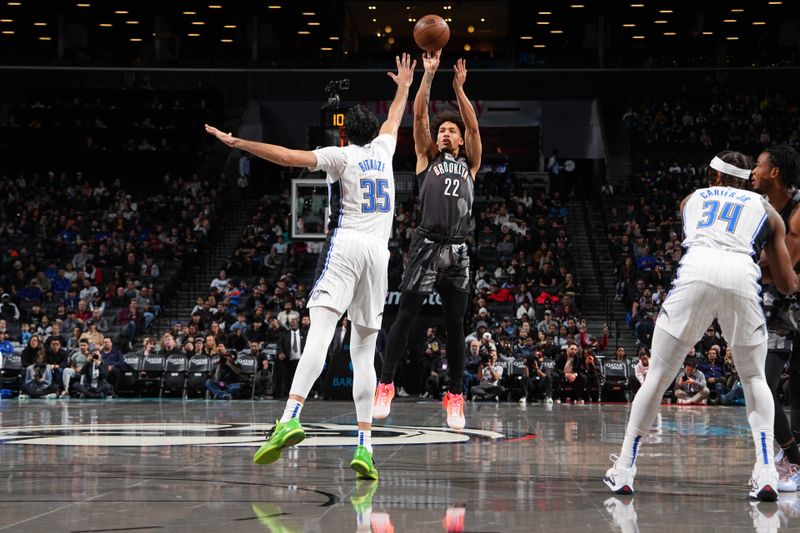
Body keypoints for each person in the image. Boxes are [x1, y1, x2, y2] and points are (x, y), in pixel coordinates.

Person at [206, 52, 416, 480]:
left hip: (347, 244)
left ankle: (290, 416)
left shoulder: (342, 157)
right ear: (373, 132)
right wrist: (404, 86)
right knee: (363, 354)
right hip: (380, 253)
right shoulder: (386, 146)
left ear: (344, 135)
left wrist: (238, 143)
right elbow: (396, 115)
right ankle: (365, 447)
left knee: (320, 332)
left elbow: (285, 157)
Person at [604, 150, 800, 501]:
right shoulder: (769, 213)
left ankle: (624, 470)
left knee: (658, 377)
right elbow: (786, 285)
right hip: (741, 274)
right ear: (747, 178)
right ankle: (767, 471)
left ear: (714, 177)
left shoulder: (690, 200)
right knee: (755, 380)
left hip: (696, 272)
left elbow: (703, 224)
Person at [375, 50, 482, 431]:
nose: (446, 133)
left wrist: (459, 89)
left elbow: (472, 127)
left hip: (457, 247)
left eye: (450, 131)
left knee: (456, 324)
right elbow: (419, 115)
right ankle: (385, 384)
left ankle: (455, 395)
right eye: (442, 131)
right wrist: (429, 77)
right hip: (425, 244)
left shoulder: (470, 162)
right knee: (405, 315)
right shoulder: (426, 159)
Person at [752, 144, 800, 489]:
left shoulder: (799, 209)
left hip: (793, 300)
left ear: (775, 172)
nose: (753, 171)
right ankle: (791, 456)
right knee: (761, 385)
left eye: (758, 165)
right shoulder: (761, 208)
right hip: (775, 308)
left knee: (795, 389)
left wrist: (754, 263)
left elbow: (784, 270)